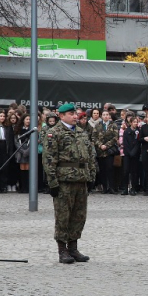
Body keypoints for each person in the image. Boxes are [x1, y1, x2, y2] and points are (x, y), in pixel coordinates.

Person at [43, 103, 97, 264]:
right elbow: (49, 159)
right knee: (63, 216)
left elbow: (90, 156)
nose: (75, 116)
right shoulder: (54, 133)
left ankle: (73, 248)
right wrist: (52, 182)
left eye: (76, 114)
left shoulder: (82, 132)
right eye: (71, 114)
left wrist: (92, 176)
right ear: (61, 116)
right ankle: (62, 250)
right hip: (64, 180)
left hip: (81, 179)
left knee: (79, 215)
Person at [94, 110, 119, 194]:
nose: (105, 116)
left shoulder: (113, 125)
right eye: (104, 115)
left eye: (107, 115)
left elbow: (115, 137)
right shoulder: (97, 125)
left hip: (109, 151)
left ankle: (111, 187)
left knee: (110, 169)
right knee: (102, 170)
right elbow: (94, 137)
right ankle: (104, 187)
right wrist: (100, 145)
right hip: (100, 151)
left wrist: (107, 145)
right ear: (101, 116)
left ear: (109, 116)